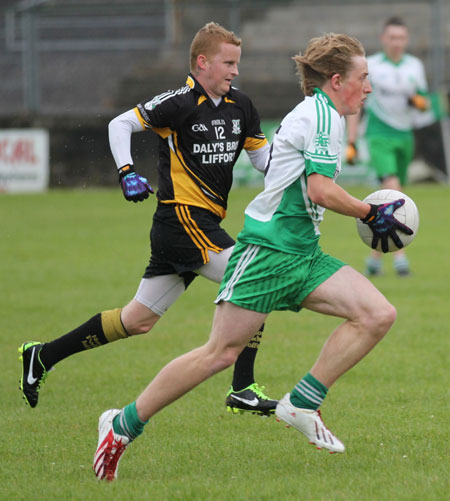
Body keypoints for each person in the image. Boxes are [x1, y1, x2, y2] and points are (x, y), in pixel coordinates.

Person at [93, 32, 412, 481]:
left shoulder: (328, 114)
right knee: (219, 354)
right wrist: (369, 212)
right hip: (267, 252)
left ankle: (301, 403)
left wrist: (362, 211)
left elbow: (300, 182)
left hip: (302, 251)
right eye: (364, 78)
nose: (369, 87)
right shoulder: (322, 115)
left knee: (377, 314)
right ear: (338, 80)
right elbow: (319, 188)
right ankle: (121, 426)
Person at [18, 22, 278, 416]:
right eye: (228, 63)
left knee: (136, 320)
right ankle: (242, 388)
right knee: (256, 276)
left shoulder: (241, 106)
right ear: (202, 62)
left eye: (237, 64)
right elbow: (119, 124)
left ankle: (43, 355)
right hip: (183, 221)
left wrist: (300, 171)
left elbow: (263, 161)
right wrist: (126, 172)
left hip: (192, 228)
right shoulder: (178, 103)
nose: (235, 71)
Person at [346, 16, 431, 276]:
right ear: (384, 39)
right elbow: (356, 104)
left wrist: (419, 102)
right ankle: (400, 257)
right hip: (378, 135)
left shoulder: (414, 66)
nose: (396, 43)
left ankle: (375, 256)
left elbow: (426, 102)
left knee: (396, 198)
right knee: (393, 190)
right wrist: (352, 141)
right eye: (392, 38)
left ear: (406, 40)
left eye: (401, 38)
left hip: (404, 136)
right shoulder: (371, 65)